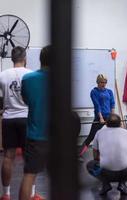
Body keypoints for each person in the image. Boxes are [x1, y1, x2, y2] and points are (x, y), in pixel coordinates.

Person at [0, 46, 34, 200]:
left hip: (8, 119)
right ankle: (31, 194)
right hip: (26, 118)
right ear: (24, 58)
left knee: (8, 157)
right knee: (29, 157)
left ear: (12, 59)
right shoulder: (31, 74)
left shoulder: (2, 75)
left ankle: (6, 194)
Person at [19, 46, 51, 200]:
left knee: (29, 175)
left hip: (35, 135)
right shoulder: (61, 80)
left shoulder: (28, 79)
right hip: (57, 135)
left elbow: (26, 101)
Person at [86, 113, 127, 196]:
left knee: (90, 165)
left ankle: (105, 184)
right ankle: (122, 183)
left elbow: (95, 156)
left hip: (105, 172)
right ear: (120, 123)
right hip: (124, 172)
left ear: (106, 123)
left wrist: (103, 159)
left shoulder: (99, 133)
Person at [79, 74, 115, 157]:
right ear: (98, 82)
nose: (103, 84)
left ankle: (113, 154)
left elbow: (112, 104)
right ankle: (79, 154)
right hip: (99, 117)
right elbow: (97, 105)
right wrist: (101, 118)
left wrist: (112, 117)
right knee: (91, 136)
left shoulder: (109, 91)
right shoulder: (94, 92)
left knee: (114, 135)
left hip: (109, 117)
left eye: (105, 82)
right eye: (102, 82)